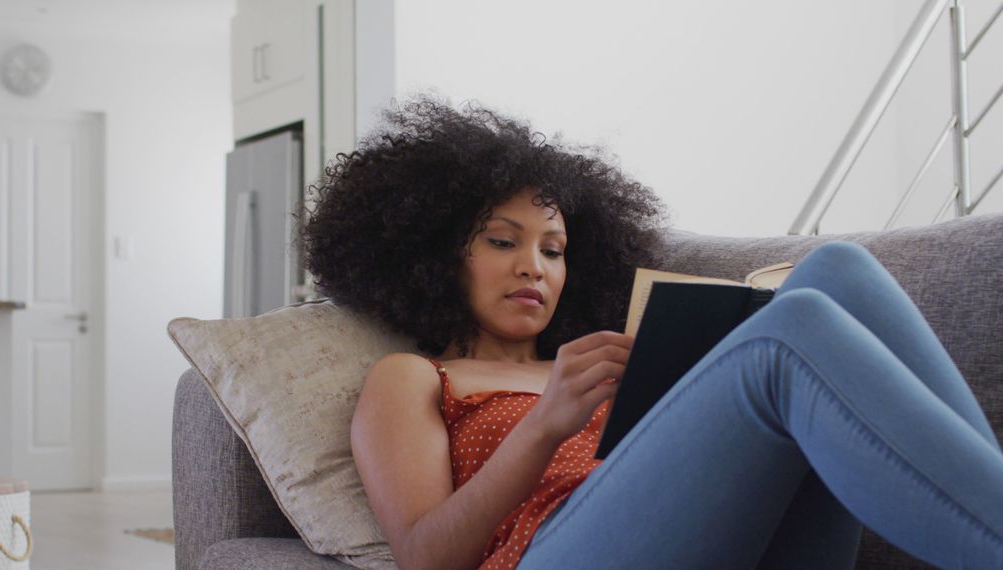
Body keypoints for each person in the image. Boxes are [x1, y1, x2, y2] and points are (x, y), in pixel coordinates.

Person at [301, 97, 1003, 569]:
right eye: (501, 241)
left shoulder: (597, 359)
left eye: (552, 249)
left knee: (838, 272)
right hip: (551, 551)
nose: (533, 268)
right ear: (436, 253)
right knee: (793, 331)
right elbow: (426, 555)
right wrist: (544, 426)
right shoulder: (414, 377)